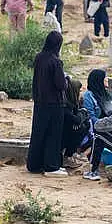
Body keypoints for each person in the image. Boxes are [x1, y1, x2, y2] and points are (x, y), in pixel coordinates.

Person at [27, 31, 68, 177]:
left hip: (40, 101)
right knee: (53, 135)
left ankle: (34, 164)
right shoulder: (55, 61)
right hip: (54, 104)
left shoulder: (39, 57)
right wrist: (66, 80)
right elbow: (60, 84)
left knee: (38, 133)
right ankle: (51, 166)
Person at [61, 76, 90, 169]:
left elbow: (82, 115)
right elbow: (76, 118)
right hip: (62, 133)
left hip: (68, 130)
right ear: (74, 91)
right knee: (81, 128)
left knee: (85, 125)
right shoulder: (65, 105)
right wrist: (82, 113)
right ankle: (67, 157)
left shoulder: (74, 102)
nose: (81, 93)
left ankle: (70, 154)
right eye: (80, 90)